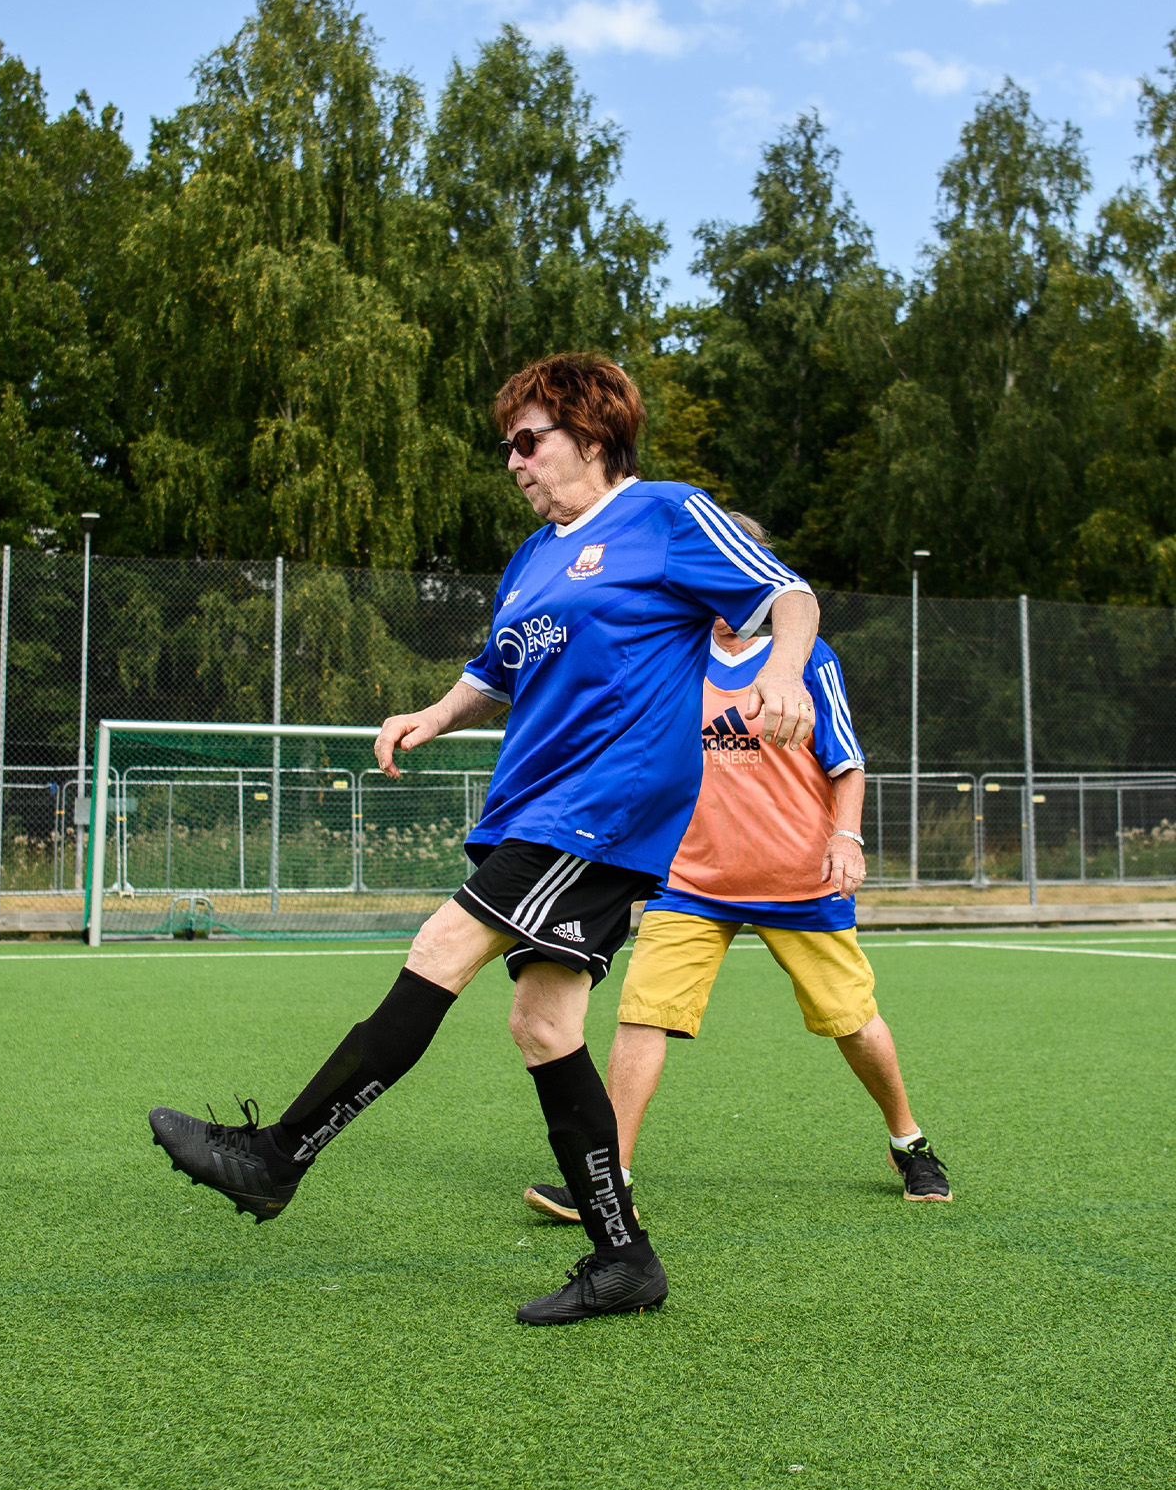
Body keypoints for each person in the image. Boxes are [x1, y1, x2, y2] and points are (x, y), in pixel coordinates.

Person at [149, 353, 821, 1325]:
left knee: (441, 947)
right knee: (543, 1027)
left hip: (606, 804)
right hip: (537, 805)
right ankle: (624, 1260)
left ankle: (276, 1156)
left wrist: (789, 672)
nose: (512, 460)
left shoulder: (667, 513)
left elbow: (786, 594)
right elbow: (494, 671)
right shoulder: (532, 557)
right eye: (507, 443)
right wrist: (432, 714)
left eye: (528, 440)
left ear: (591, 437)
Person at [525, 513, 950, 1221]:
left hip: (800, 879)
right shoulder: (670, 656)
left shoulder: (808, 656)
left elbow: (847, 764)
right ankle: (610, 1178)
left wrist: (848, 839)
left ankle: (909, 1142)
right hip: (690, 883)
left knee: (854, 1020)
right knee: (641, 1018)